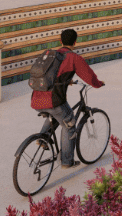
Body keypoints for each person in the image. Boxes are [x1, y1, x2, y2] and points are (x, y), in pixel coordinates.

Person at [31, 28, 105, 168]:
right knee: (69, 121)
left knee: (58, 115)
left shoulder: (52, 55)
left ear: (60, 41)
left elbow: (51, 75)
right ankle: (66, 161)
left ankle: (42, 138)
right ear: (75, 42)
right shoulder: (73, 58)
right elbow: (88, 76)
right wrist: (98, 84)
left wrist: (67, 81)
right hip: (53, 100)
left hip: (36, 98)